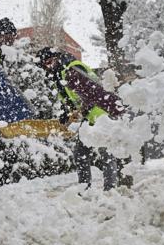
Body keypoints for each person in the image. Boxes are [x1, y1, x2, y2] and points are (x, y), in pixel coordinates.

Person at [35, 47, 131, 190]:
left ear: (56, 58)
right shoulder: (59, 76)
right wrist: (66, 112)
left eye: (49, 62)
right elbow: (70, 99)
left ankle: (110, 189)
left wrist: (83, 108)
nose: (47, 68)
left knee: (107, 152)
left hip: (104, 113)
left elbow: (95, 92)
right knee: (81, 152)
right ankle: (84, 188)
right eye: (44, 65)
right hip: (90, 116)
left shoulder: (72, 70)